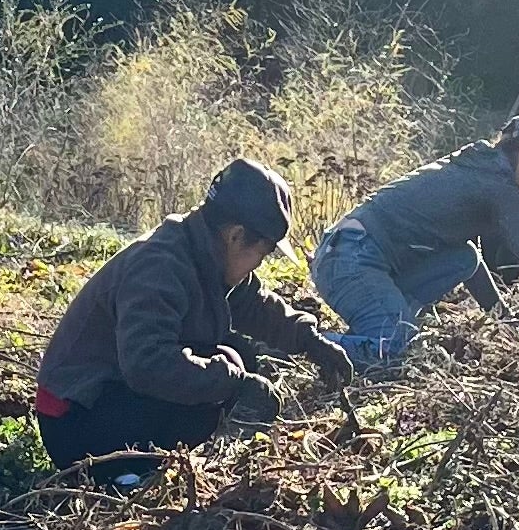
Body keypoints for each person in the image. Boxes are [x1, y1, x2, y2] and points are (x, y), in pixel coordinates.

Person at [34, 157, 356, 467]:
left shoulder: (202, 250)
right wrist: (235, 384)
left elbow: (254, 304)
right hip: (75, 421)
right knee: (213, 390)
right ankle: (125, 473)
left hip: (105, 397)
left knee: (233, 356)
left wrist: (309, 339)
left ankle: (146, 459)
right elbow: (148, 364)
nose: (259, 264)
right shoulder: (160, 266)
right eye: (263, 252)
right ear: (235, 235)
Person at [313, 115, 519, 367]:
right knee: (393, 350)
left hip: (355, 257)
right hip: (350, 258)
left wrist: (503, 320)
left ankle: (370, 331)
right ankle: (297, 345)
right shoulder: (498, 186)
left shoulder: (482, 168)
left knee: (463, 257)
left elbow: (471, 263)